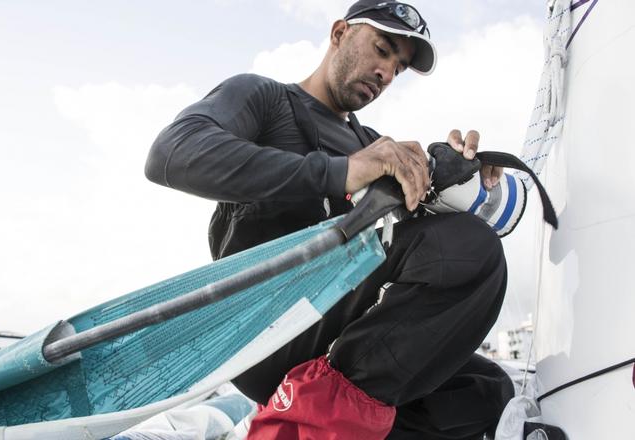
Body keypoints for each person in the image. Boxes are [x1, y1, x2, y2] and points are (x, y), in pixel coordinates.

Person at [145, 1, 514, 438]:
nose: (386, 74)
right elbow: (171, 154)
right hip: (269, 328)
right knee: (467, 247)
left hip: (340, 329)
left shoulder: (371, 143)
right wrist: (340, 172)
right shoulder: (265, 99)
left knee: (485, 389)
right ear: (339, 33)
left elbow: (418, 243)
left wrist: (460, 179)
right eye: (382, 49)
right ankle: (295, 428)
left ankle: (330, 421)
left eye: (398, 68)